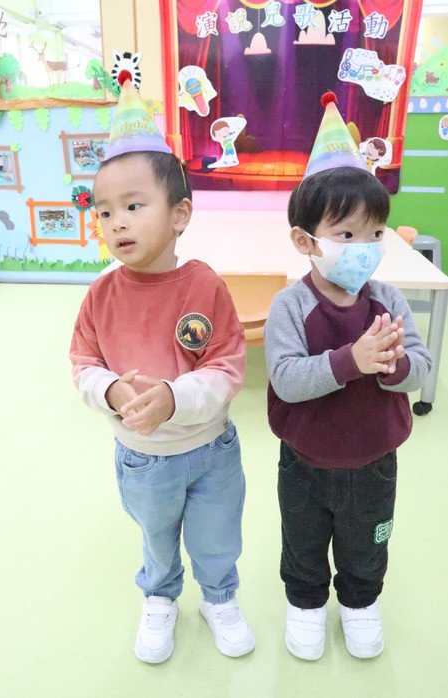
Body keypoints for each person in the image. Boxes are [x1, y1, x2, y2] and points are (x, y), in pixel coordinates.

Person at [69, 79, 254, 664]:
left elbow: (227, 363)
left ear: (180, 214)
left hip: (210, 448)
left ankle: (219, 597)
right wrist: (111, 389)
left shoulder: (204, 284)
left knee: (217, 535)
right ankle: (160, 596)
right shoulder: (100, 295)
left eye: (133, 206)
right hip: (142, 457)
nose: (116, 222)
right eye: (104, 211)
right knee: (156, 538)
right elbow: (82, 363)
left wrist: (175, 397)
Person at [265, 94, 432, 662]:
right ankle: (306, 604)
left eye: (375, 234)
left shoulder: (388, 300)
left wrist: (394, 366)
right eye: (346, 235)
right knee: (303, 541)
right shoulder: (291, 306)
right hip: (305, 462)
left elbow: (420, 367)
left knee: (368, 542)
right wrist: (351, 361)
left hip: (374, 462)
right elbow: (285, 379)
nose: (364, 249)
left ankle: (360, 603)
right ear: (304, 240)